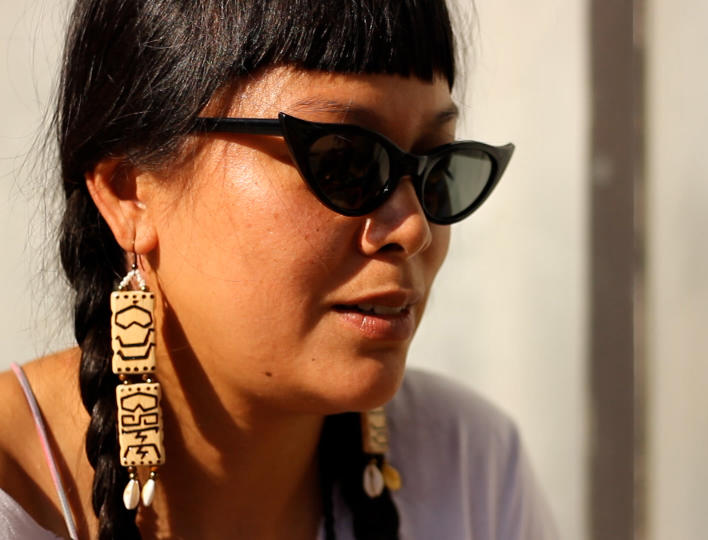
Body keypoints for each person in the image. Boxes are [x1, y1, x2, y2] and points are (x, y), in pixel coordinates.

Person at [0, 0, 558, 538]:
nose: (413, 229)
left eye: (437, 165)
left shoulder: (470, 469)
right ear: (130, 192)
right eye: (342, 161)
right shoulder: (17, 497)